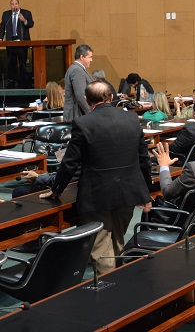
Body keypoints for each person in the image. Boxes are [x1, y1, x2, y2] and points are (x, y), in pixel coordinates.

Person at [41, 82, 152, 273]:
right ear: (111, 97)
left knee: (100, 246)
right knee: (118, 241)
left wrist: (56, 189)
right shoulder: (132, 119)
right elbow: (144, 159)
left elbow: (70, 162)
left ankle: (109, 287)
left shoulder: (83, 123)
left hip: (97, 193)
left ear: (87, 100)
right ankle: (120, 281)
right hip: (128, 190)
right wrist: (146, 191)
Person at [0, 0, 34, 86]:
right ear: (10, 6)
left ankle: (23, 82)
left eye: (16, 4)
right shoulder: (6, 14)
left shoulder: (26, 13)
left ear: (19, 5)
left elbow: (31, 24)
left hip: (22, 43)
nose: (14, 6)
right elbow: (2, 26)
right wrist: (0, 38)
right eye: (12, 4)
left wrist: (24, 20)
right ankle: (12, 81)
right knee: (11, 63)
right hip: (10, 42)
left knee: (22, 63)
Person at [63, 44, 93, 122]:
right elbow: (81, 96)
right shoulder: (77, 70)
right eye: (90, 57)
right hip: (77, 115)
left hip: (78, 115)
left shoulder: (77, 69)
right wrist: (90, 113)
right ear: (82, 57)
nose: (91, 60)